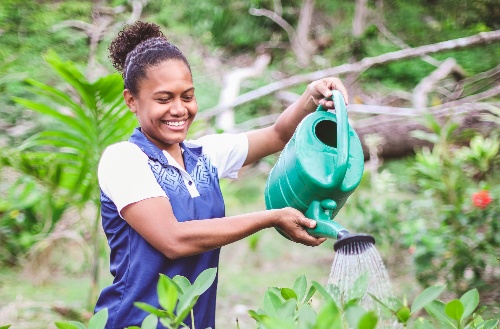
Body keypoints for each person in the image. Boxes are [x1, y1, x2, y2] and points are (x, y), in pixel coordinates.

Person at [95, 21, 349, 329]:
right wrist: (271, 217)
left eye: (187, 96)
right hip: (135, 323)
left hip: (193, 322)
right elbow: (172, 240)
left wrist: (312, 95)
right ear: (131, 101)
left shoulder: (205, 155)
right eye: (164, 99)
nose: (179, 109)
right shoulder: (124, 159)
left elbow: (279, 134)